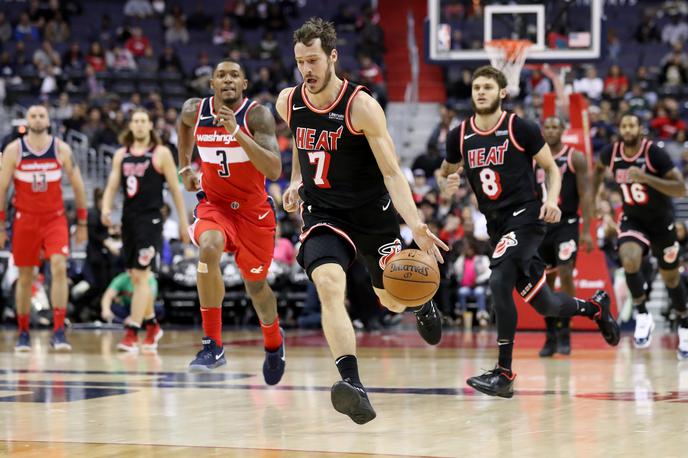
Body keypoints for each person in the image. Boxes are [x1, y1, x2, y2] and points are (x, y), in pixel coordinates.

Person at [276, 18, 448, 424]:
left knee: (390, 296)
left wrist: (418, 226)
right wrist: (298, 180)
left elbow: (392, 174)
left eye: (314, 60)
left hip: (372, 214)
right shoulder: (289, 100)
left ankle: (420, 302)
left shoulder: (361, 106)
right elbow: (302, 142)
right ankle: (352, 383)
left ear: (333, 56)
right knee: (329, 285)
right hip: (324, 213)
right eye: (301, 61)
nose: (307, 69)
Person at [440, 66, 619, 398]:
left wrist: (551, 199)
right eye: (476, 87)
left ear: (502, 93)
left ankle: (504, 373)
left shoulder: (519, 127)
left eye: (488, 88)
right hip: (497, 227)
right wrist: (447, 182)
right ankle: (596, 308)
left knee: (497, 282)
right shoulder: (459, 135)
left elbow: (551, 168)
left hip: (525, 217)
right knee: (546, 303)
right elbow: (445, 172)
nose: (480, 92)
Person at [177, 59, 286, 384]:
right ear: (211, 83)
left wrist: (236, 132)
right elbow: (183, 127)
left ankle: (274, 342)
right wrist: (184, 167)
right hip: (216, 205)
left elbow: (274, 170)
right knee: (208, 247)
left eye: (234, 75)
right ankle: (213, 345)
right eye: (221, 75)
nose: (227, 80)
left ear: (244, 83)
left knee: (256, 287)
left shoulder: (256, 115)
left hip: (253, 213)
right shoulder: (194, 110)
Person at [593, 113, 688, 358]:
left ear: (640, 129)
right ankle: (643, 314)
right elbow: (597, 171)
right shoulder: (610, 153)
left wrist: (646, 177)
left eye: (631, 125)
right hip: (633, 219)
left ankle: (685, 327)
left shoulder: (654, 154)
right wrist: (595, 197)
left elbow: (679, 188)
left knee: (671, 279)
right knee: (629, 258)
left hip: (661, 222)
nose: (627, 129)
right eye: (623, 125)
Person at [0, 105, 88, 351]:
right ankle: (23, 332)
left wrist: (82, 222)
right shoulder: (13, 150)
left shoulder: (61, 148)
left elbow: (79, 185)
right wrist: (0, 226)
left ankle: (59, 330)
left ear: (48, 120)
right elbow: (2, 188)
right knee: (25, 276)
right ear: (27, 120)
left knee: (59, 267)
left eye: (41, 115)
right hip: (24, 219)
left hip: (54, 219)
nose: (37, 119)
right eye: (33, 115)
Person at [102, 109, 189, 352]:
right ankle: (152, 325)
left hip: (151, 221)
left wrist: (183, 221)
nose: (139, 125)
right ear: (130, 126)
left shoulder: (160, 153)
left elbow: (175, 190)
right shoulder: (122, 154)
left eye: (143, 121)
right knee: (135, 276)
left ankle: (132, 332)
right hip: (128, 220)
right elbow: (111, 185)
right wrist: (106, 209)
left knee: (141, 275)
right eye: (135, 121)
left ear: (150, 125)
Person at [535, 116, 595, 357]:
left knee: (566, 272)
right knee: (544, 282)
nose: (550, 130)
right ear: (543, 131)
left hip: (567, 222)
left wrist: (589, 230)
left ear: (562, 130)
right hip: (541, 225)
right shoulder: (535, 159)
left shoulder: (575, 157)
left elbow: (586, 195)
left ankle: (565, 332)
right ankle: (550, 335)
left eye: (555, 126)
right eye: (547, 126)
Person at [101, 270, 162, 350]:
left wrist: (133, 318)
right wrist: (105, 309)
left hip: (145, 309)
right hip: (127, 307)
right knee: (114, 308)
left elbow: (150, 300)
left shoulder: (149, 279)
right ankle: (151, 326)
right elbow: (107, 295)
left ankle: (137, 329)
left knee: (158, 308)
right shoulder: (123, 278)